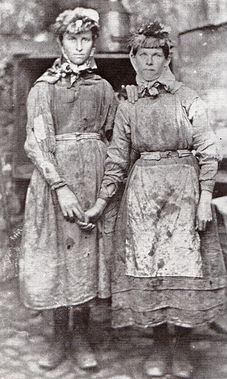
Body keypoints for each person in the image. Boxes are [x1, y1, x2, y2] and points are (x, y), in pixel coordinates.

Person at [85, 21, 227, 378]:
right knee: (152, 271)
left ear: (167, 59)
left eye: (156, 55)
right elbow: (118, 157)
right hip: (144, 195)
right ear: (133, 60)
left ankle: (182, 348)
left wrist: (205, 196)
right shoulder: (128, 106)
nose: (149, 62)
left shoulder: (189, 98)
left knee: (185, 269)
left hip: (184, 190)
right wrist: (103, 201)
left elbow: (208, 149)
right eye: (143, 56)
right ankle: (159, 344)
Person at [20, 7, 119, 370]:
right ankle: (59, 335)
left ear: (94, 42)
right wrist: (60, 186)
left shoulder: (103, 88)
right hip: (55, 180)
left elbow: (114, 136)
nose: (79, 47)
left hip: (93, 177)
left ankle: (81, 335)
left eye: (85, 39)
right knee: (59, 258)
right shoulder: (44, 88)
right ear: (60, 42)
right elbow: (35, 143)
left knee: (87, 258)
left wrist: (106, 186)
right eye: (72, 39)